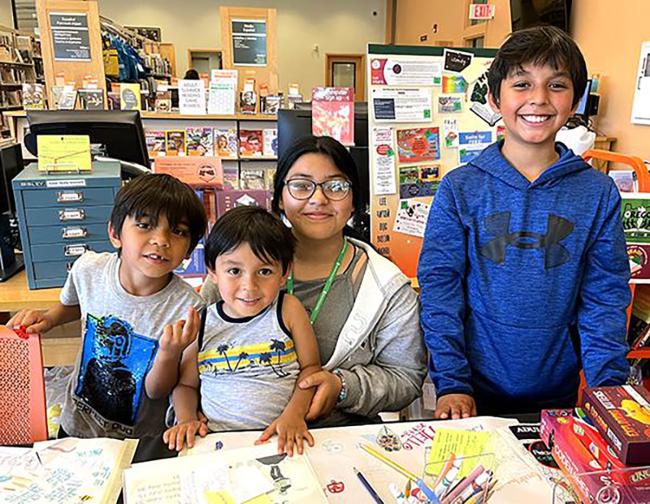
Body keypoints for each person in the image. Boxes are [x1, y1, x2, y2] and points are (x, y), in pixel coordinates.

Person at [418, 25, 631, 419]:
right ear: (495, 98)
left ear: (574, 99)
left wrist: (607, 391)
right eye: (521, 84)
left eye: (556, 85)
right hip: (470, 393)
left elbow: (605, 297)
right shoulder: (460, 188)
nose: (538, 99)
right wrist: (451, 381)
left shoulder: (598, 193)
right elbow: (440, 290)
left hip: (559, 392)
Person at [202, 136, 427, 426]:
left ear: (354, 201)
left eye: (336, 186)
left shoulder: (385, 286)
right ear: (280, 198)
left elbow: (405, 377)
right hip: (236, 438)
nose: (318, 199)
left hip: (338, 439)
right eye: (301, 185)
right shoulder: (235, 268)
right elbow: (193, 351)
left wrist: (342, 387)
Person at [9, 174, 208, 438]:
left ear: (189, 250)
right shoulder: (89, 269)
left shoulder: (189, 308)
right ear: (115, 233)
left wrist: (170, 353)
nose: (161, 240)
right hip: (77, 423)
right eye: (145, 225)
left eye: (178, 231)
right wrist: (50, 319)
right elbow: (77, 303)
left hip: (139, 440)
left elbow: (160, 391)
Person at [162, 206, 321, 454]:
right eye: (234, 271)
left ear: (284, 273)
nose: (249, 286)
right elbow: (186, 386)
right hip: (216, 444)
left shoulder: (288, 309)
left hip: (280, 439)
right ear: (213, 271)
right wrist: (186, 419)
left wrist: (294, 415)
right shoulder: (202, 322)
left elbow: (311, 370)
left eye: (265, 271)